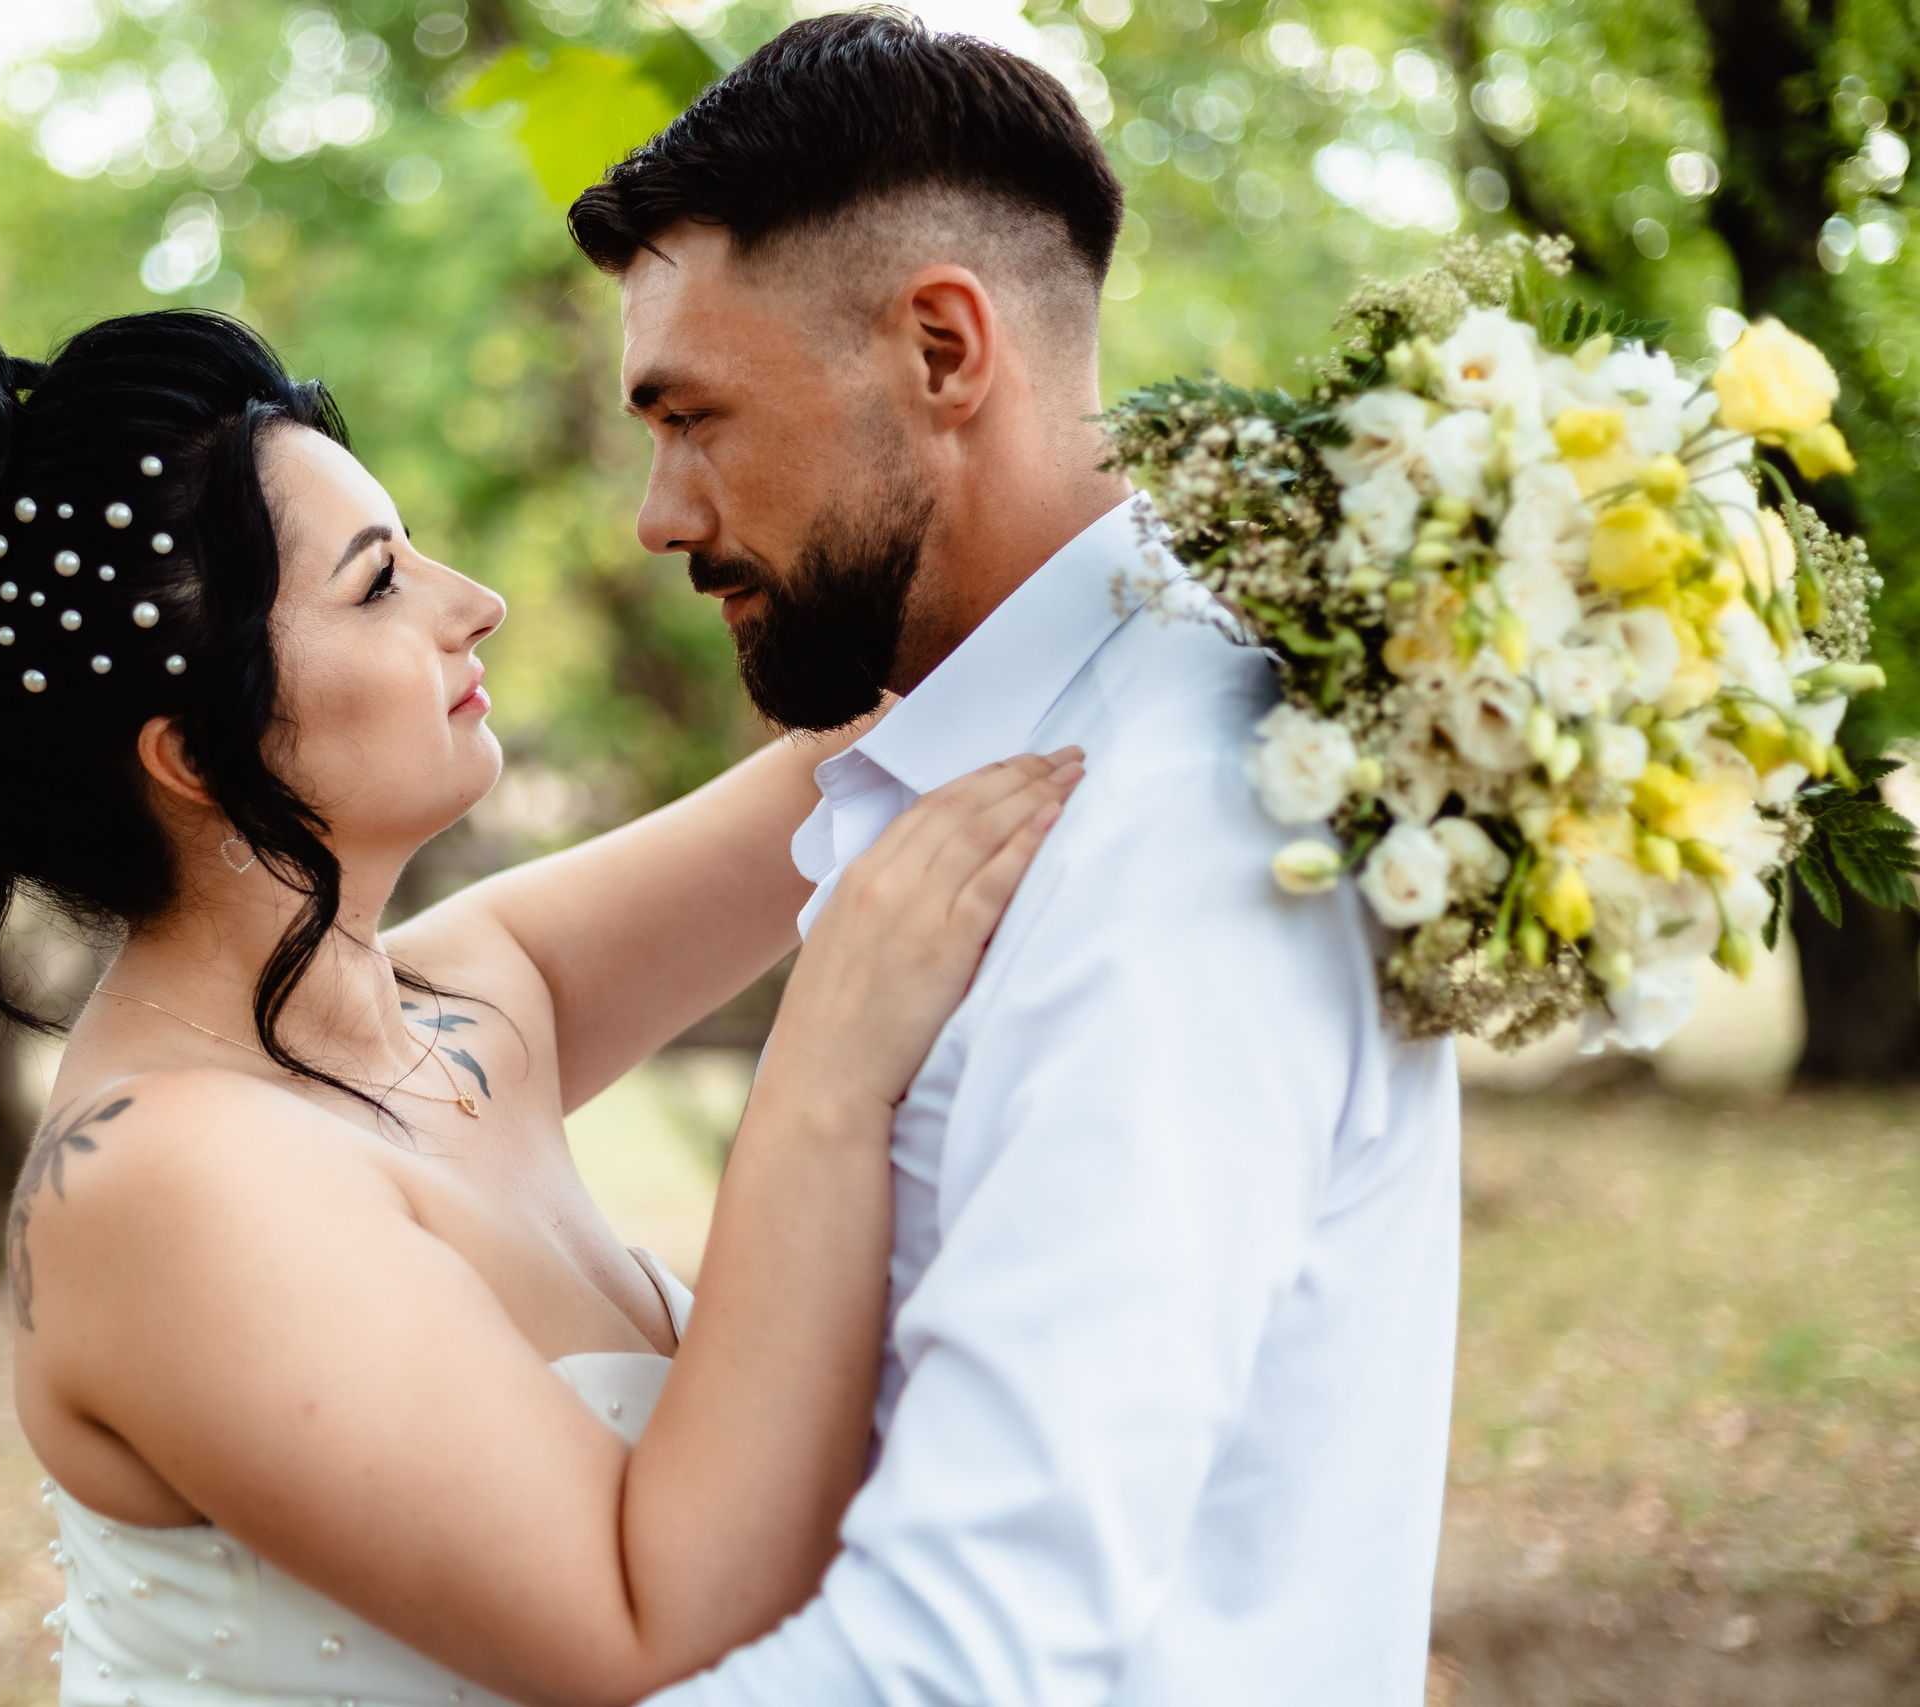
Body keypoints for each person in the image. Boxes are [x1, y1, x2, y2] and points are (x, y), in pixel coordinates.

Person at [0, 307, 1081, 1707]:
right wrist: (828, 1077)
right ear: (194, 753)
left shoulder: (461, 998)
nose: (472, 598)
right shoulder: (169, 1184)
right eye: (376, 584)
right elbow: (643, 1634)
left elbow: (885, 748)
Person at [567, 14, 1462, 1705]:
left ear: (943, 350)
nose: (661, 514)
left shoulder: (1180, 826)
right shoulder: (998, 769)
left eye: (693, 414)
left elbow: (975, 1652)